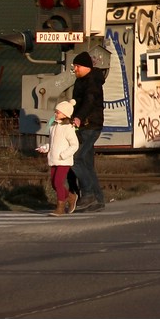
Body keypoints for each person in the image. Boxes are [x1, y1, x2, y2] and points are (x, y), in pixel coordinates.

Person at [70, 50, 107, 211]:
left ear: (85, 67)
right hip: (84, 125)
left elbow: (89, 101)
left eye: (77, 66)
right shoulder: (81, 81)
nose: (75, 69)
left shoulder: (92, 82)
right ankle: (98, 200)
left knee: (76, 159)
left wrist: (79, 117)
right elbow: (78, 102)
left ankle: (87, 194)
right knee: (87, 163)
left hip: (90, 125)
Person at [43, 99, 79, 216]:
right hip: (54, 159)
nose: (55, 114)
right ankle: (71, 197)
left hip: (64, 160)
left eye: (58, 112)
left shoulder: (68, 128)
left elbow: (75, 145)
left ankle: (60, 207)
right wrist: (45, 148)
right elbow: (52, 143)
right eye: (55, 111)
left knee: (58, 182)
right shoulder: (53, 127)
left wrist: (64, 155)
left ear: (65, 114)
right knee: (54, 184)